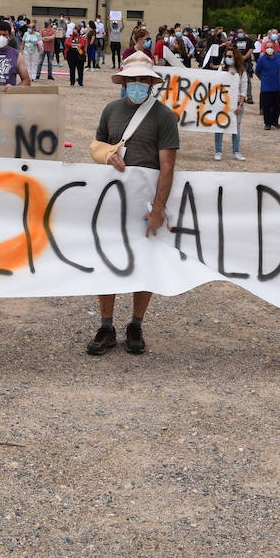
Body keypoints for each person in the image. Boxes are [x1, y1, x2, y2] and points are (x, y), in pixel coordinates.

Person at [86, 53, 180, 356]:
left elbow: (167, 166)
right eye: (133, 80)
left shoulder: (164, 117)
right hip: (113, 201)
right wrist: (105, 155)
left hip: (145, 203)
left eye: (143, 80)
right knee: (107, 259)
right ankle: (106, 325)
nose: (137, 84)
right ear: (124, 82)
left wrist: (158, 209)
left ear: (151, 83)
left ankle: (136, 324)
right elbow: (97, 146)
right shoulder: (110, 110)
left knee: (146, 262)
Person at [212, 45, 250, 161]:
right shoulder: (221, 69)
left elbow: (244, 88)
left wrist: (240, 105)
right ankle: (218, 151)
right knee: (219, 127)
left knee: (236, 128)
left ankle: (236, 151)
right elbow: (215, 85)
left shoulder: (241, 71)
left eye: (230, 56)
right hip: (222, 103)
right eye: (226, 56)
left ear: (235, 57)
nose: (228, 58)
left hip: (236, 103)